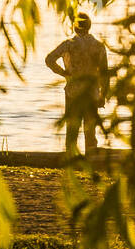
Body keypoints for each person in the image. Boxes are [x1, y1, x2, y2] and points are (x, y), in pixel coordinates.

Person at [45, 11, 109, 156]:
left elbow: (49, 59)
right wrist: (103, 95)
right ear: (89, 26)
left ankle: (71, 165)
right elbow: (105, 73)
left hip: (73, 92)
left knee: (72, 132)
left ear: (75, 28)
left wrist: (63, 73)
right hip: (92, 93)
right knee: (90, 133)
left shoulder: (69, 45)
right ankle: (91, 163)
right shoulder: (99, 46)